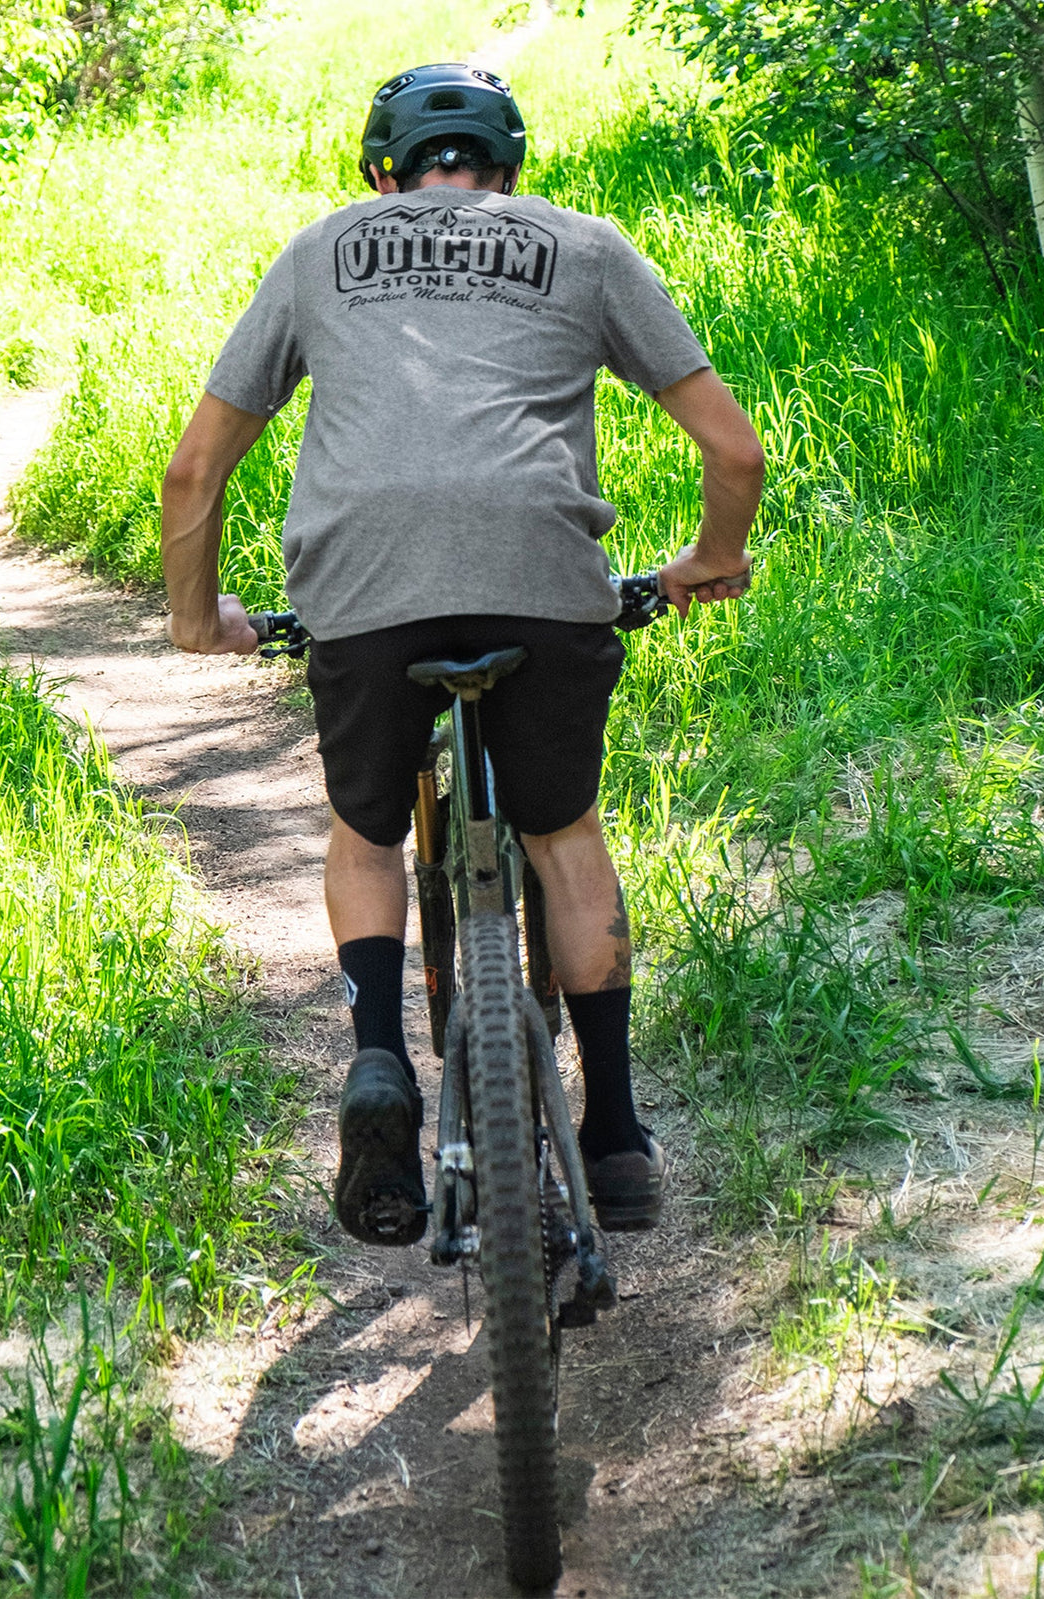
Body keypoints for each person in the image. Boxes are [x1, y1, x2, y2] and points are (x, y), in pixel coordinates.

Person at [161, 62, 764, 1248]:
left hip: (365, 597)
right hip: (543, 588)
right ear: (513, 166)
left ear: (380, 171)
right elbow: (734, 453)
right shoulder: (584, 246)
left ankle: (380, 1056)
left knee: (366, 829)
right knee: (565, 833)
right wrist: (707, 557)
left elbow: (195, 472)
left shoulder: (321, 251)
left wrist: (195, 620)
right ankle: (619, 1141)